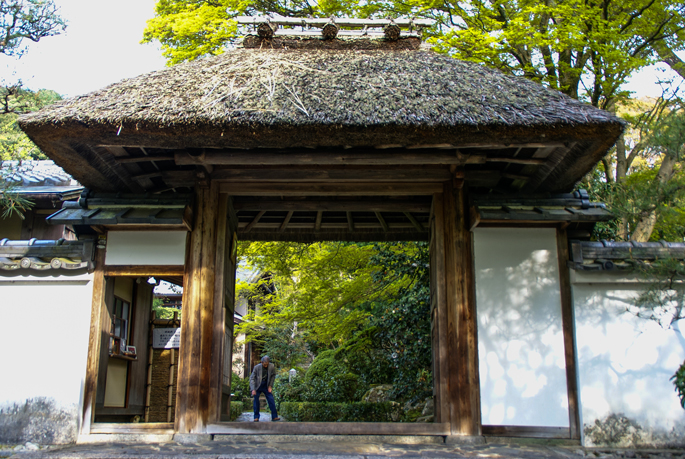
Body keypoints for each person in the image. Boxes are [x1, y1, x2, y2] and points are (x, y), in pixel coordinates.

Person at [249, 355, 280, 422]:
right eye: (264, 364)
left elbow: (273, 375)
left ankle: (274, 416)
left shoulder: (272, 366)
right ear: (261, 362)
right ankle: (256, 417)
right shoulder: (256, 367)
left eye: (267, 364)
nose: (266, 366)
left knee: (271, 400)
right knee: (256, 401)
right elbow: (252, 378)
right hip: (258, 385)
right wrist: (253, 389)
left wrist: (270, 386)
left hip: (266, 385)